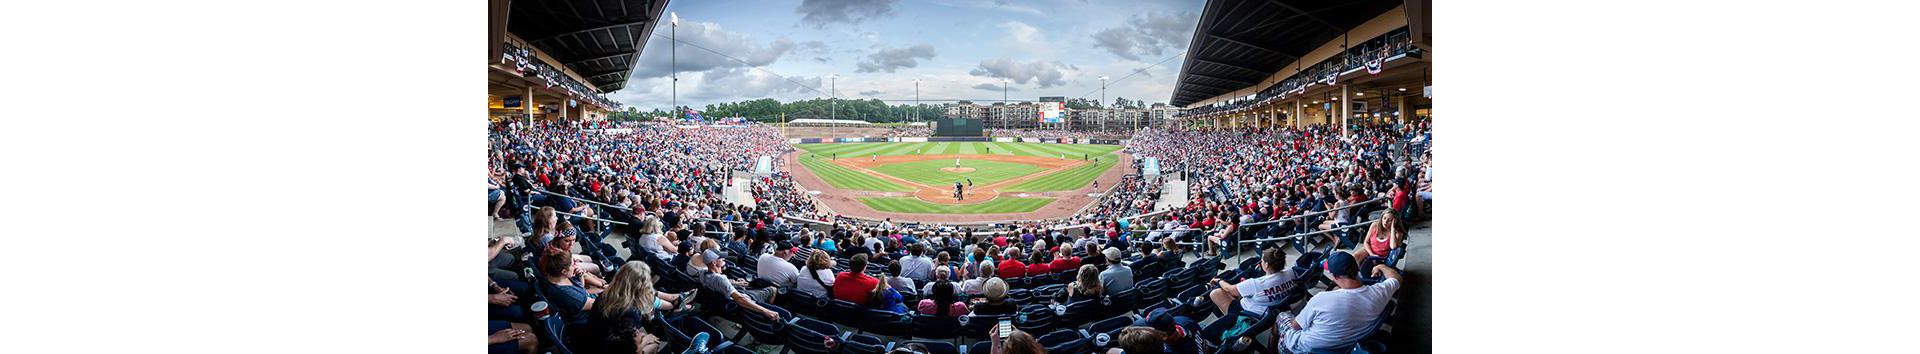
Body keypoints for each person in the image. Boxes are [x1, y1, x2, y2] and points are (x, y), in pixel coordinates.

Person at [1276, 252, 1401, 353]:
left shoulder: (1321, 299)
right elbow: (1397, 278)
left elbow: (1295, 326)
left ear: (1335, 276)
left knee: (1281, 317)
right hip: (1347, 345)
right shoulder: (1379, 292)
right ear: (1357, 268)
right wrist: (1382, 266)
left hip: (1303, 348)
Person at [1206, 248, 1295, 316]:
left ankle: (1233, 321)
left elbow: (1228, 289)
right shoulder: (1290, 272)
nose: (1261, 262)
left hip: (1251, 313)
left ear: (1266, 265)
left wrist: (1218, 280)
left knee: (1215, 293)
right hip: (1276, 307)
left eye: (1262, 260)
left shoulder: (1256, 283)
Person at [699, 251, 782, 321]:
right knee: (773, 289)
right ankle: (762, 317)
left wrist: (735, 283)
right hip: (739, 304)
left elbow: (717, 283)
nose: (723, 259)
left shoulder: (702, 272)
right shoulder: (721, 279)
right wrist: (766, 311)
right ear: (714, 263)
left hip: (721, 303)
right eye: (721, 258)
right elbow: (740, 299)